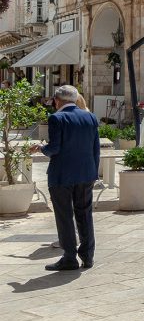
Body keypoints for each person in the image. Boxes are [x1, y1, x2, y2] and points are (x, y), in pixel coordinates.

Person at [29, 84, 100, 271]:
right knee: (85, 214)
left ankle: (70, 257)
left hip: (62, 175)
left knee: (65, 216)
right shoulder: (90, 117)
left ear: (56, 100)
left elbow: (54, 149)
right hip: (86, 173)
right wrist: (93, 172)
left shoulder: (56, 118)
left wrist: (41, 148)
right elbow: (95, 148)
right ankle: (88, 256)